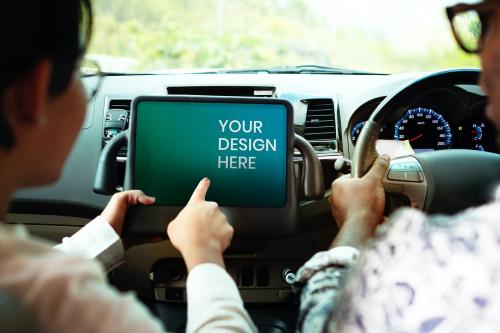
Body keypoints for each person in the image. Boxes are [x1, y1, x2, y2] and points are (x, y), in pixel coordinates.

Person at [0, 1, 256, 332]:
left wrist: (106, 235)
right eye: (82, 73)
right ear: (32, 91)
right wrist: (204, 256)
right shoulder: (67, 307)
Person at [295, 0, 500, 332]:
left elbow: (324, 324)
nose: (479, 54)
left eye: (485, 24)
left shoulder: (421, 262)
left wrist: (358, 218)